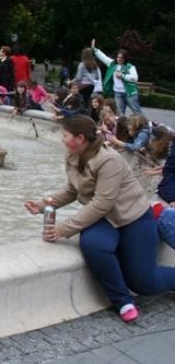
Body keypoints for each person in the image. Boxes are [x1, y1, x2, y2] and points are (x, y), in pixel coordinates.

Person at [25, 115, 175, 323]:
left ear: (80, 138)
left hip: (134, 217)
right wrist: (43, 205)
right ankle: (123, 301)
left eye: (65, 135)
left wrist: (64, 229)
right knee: (93, 245)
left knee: (143, 282)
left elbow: (102, 202)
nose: (62, 139)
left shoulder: (109, 159)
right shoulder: (72, 155)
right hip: (104, 219)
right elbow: (73, 189)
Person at [92, 39, 141, 116]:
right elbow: (103, 57)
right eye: (118, 57)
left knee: (137, 112)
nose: (119, 59)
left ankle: (145, 124)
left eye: (121, 58)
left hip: (130, 93)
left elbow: (135, 78)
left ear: (125, 58)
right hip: (118, 93)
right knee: (120, 114)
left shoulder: (130, 67)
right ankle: (122, 124)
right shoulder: (112, 64)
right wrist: (94, 49)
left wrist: (122, 75)